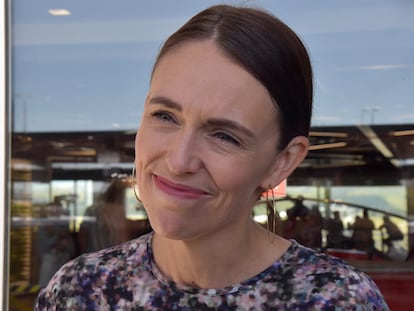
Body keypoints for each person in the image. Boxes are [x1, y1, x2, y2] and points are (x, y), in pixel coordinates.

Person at [35, 4, 389, 310]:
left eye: (224, 136)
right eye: (165, 116)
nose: (179, 161)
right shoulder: (79, 291)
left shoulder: (335, 301)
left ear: (282, 161)